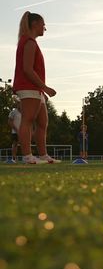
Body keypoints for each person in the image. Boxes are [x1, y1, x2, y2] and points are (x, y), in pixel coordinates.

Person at [13, 11, 59, 164]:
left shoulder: (30, 42)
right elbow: (27, 69)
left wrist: (41, 90)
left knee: (42, 122)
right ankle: (27, 156)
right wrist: (45, 87)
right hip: (28, 86)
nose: (44, 28)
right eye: (43, 25)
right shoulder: (29, 42)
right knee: (28, 120)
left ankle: (43, 155)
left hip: (35, 88)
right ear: (34, 24)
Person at [7, 98, 22, 163]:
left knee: (25, 144)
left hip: (23, 131)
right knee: (15, 144)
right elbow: (9, 122)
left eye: (20, 103)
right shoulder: (13, 112)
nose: (19, 105)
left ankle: (27, 158)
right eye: (18, 103)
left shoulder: (25, 112)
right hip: (15, 132)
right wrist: (17, 130)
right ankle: (14, 159)